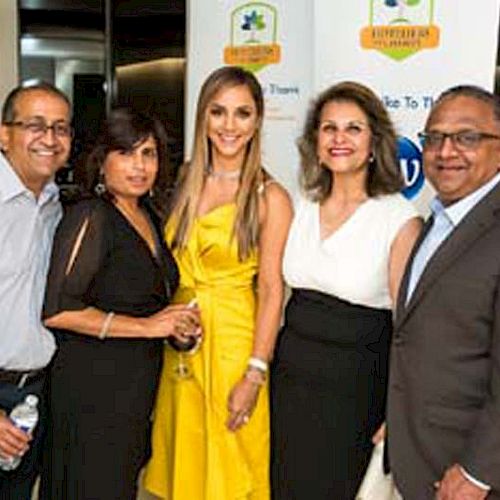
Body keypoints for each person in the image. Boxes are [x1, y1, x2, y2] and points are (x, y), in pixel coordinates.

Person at [143, 66, 293, 499]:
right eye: (219, 112)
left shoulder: (270, 197)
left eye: (242, 113)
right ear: (203, 117)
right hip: (179, 344)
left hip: (233, 348)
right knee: (184, 465)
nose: (229, 126)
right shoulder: (184, 179)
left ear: (258, 120)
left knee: (230, 466)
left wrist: (255, 373)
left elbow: (270, 292)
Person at [38, 108, 200, 500]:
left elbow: (147, 303)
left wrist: (175, 329)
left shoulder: (149, 215)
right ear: (102, 160)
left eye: (149, 154)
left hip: (134, 389)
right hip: (90, 390)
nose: (140, 166)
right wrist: (148, 327)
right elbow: (58, 309)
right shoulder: (91, 216)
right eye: (126, 154)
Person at [271, 81, 422, 499]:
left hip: (356, 395)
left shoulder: (398, 219)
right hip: (290, 388)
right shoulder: (301, 204)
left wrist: (399, 411)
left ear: (374, 142)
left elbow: (409, 329)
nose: (339, 139)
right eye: (329, 128)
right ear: (315, 142)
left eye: (353, 128)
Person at [387, 85, 500, 500]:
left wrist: (479, 472)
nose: (445, 151)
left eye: (467, 138)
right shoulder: (438, 218)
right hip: (418, 455)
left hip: (467, 471)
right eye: (434, 138)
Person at [0, 82, 71, 498]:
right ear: (5, 134)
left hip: (33, 395)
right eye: (36, 125)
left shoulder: (55, 206)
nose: (50, 139)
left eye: (61, 128)